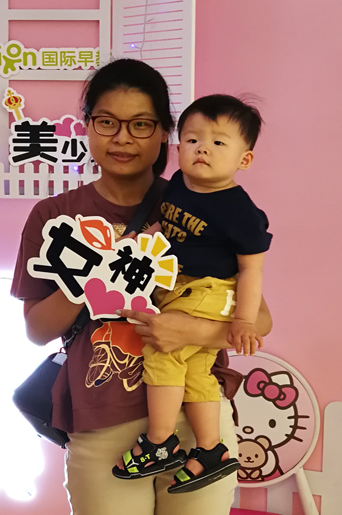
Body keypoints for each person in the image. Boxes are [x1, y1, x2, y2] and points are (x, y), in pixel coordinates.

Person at [11, 59, 273, 515]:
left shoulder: (198, 201)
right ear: (87, 126)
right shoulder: (55, 216)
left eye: (141, 124)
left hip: (195, 421)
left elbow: (259, 320)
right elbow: (36, 329)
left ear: (165, 134)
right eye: (107, 122)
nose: (123, 138)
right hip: (100, 421)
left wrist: (189, 331)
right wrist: (93, 275)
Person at [112, 95, 271, 494]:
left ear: (244, 159)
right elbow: (168, 228)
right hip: (179, 286)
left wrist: (243, 320)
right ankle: (211, 448)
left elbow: (251, 269)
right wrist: (140, 239)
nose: (202, 149)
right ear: (179, 146)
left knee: (163, 352)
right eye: (193, 139)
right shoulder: (178, 186)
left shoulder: (241, 212)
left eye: (218, 142)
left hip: (210, 289)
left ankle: (159, 442)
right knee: (198, 370)